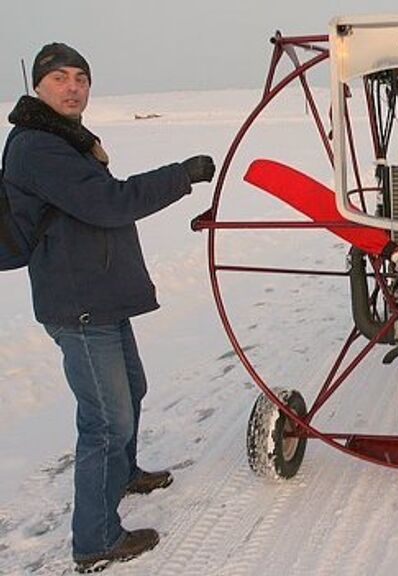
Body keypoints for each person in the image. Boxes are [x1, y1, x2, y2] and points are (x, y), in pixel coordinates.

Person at [2, 43, 216, 571]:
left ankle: (121, 477)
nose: (73, 88)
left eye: (81, 78)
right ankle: (95, 540)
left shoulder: (66, 139)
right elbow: (110, 202)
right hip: (78, 304)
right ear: (38, 86)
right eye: (59, 79)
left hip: (99, 295)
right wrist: (181, 175)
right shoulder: (37, 146)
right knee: (104, 421)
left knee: (131, 392)